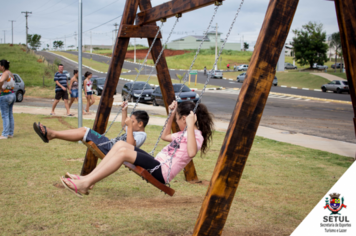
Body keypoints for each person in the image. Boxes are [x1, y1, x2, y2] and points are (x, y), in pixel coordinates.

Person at [59, 101, 214, 196]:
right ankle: (88, 180)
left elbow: (192, 152)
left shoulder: (196, 135)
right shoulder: (183, 133)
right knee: (121, 145)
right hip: (156, 163)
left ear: (186, 119)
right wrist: (172, 114)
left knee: (123, 152)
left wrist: (190, 125)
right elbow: (165, 136)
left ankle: (85, 183)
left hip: (162, 171)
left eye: (180, 119)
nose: (179, 123)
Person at [33, 101, 148, 156]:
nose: (130, 123)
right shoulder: (133, 130)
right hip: (110, 145)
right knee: (83, 130)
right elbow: (124, 125)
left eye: (132, 121)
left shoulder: (141, 135)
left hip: (112, 148)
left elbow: (131, 145)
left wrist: (129, 126)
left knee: (84, 131)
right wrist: (124, 111)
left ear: (140, 124)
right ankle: (53, 134)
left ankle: (52, 134)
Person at [0, 59, 16, 139]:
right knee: (10, 115)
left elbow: (1, 81)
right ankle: (10, 133)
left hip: (5, 95)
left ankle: (4, 134)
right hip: (12, 94)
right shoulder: (10, 73)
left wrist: (0, 88)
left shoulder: (5, 73)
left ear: (2, 66)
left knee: (5, 115)